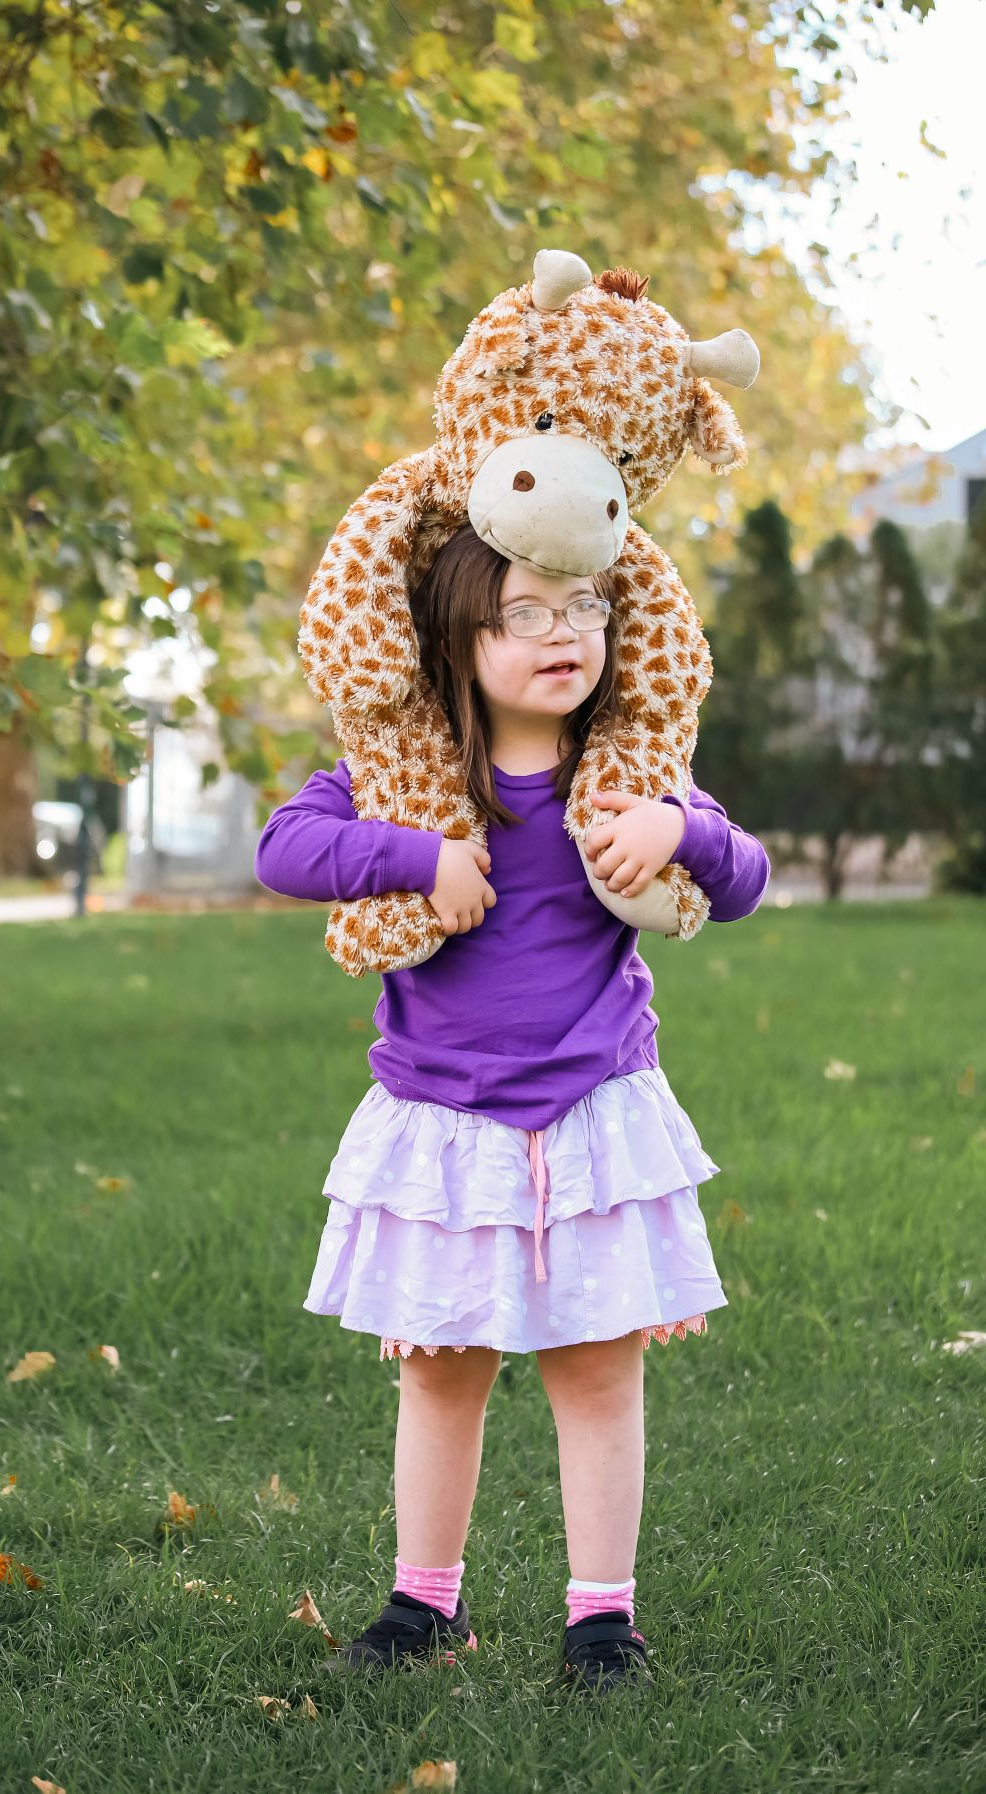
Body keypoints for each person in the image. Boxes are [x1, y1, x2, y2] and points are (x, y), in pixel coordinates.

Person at [254, 520, 770, 1692]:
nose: (564, 634)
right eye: (526, 612)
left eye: (585, 607)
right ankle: (425, 1602)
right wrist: (412, 857)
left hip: (592, 1114)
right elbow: (284, 850)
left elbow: (743, 879)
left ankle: (603, 1621)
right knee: (440, 1367)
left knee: (596, 1370)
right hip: (445, 1123)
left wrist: (679, 827)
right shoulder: (405, 783)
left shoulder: (629, 778)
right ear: (456, 635)